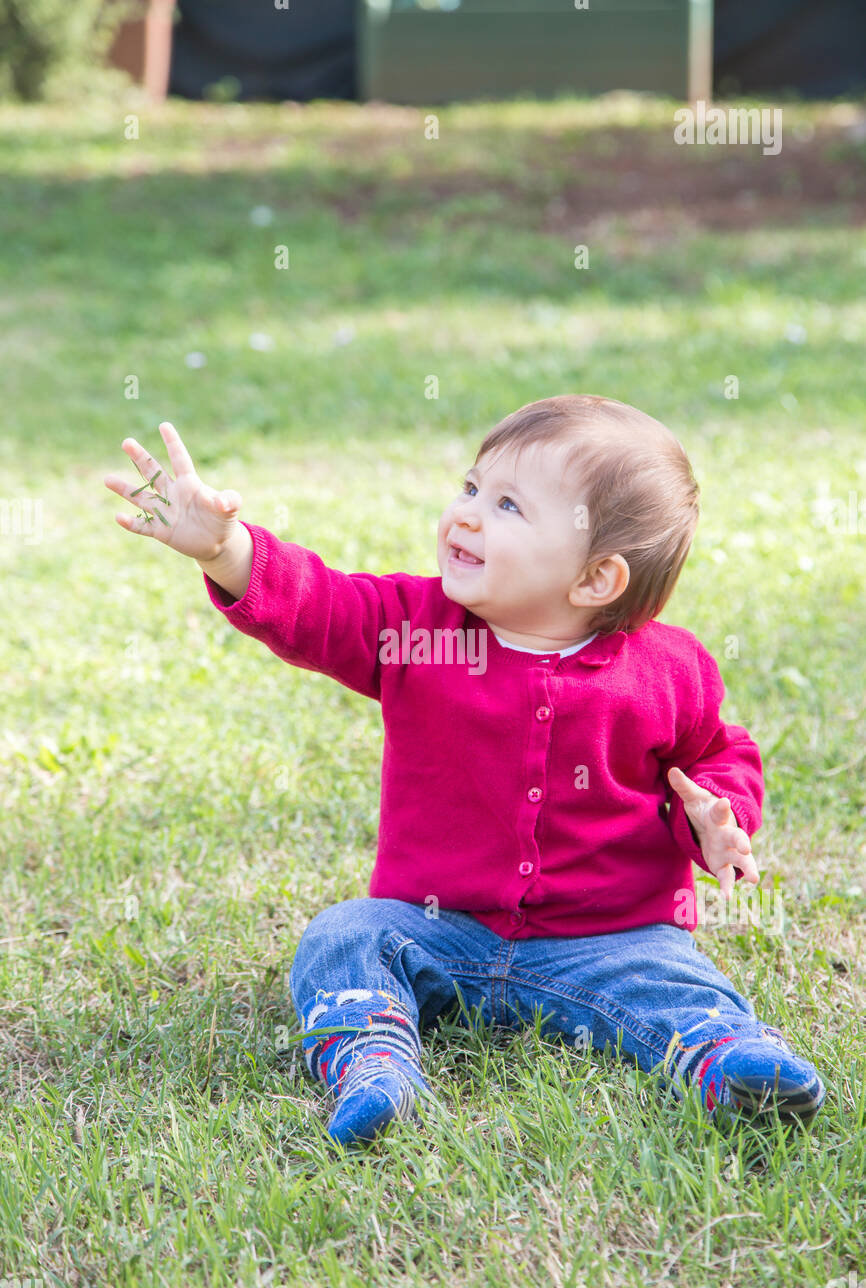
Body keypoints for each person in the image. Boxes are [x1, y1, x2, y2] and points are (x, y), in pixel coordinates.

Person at [104, 397, 826, 1147]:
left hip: (609, 938)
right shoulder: (413, 631)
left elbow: (712, 756)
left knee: (674, 980)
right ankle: (374, 1061)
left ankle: (729, 1061)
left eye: (508, 505)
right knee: (344, 936)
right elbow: (318, 606)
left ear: (596, 579)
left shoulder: (669, 671)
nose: (467, 515)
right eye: (472, 487)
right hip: (437, 927)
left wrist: (718, 815)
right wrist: (225, 549)